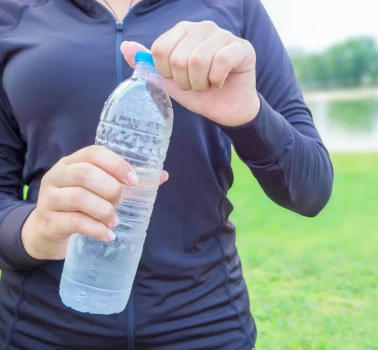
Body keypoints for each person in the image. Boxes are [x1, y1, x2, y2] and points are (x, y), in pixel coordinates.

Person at [0, 0, 334, 348]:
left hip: (204, 328)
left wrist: (250, 115)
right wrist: (34, 230)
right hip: (41, 332)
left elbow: (311, 190)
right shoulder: (10, 13)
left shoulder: (233, 7)